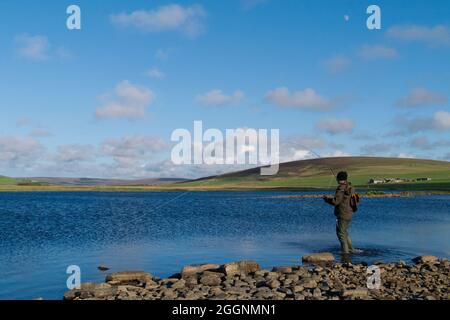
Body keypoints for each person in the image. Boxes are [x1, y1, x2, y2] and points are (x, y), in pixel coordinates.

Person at [323, 171, 355, 254]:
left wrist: (327, 199)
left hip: (342, 213)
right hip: (349, 212)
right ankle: (351, 250)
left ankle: (345, 252)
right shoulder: (350, 186)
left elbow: (336, 202)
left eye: (337, 178)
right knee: (344, 232)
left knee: (341, 233)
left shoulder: (341, 188)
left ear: (339, 179)